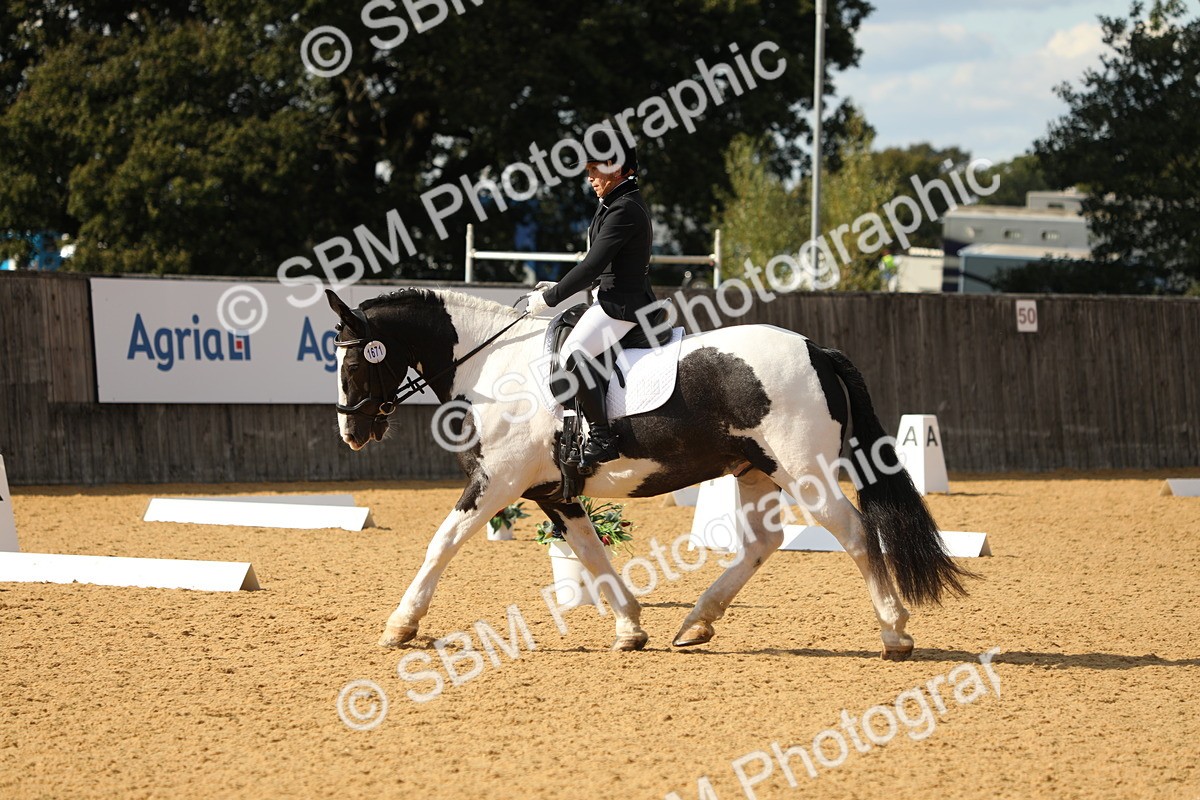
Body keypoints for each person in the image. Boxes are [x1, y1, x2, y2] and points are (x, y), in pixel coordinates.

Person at [525, 129, 656, 472]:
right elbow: (603, 264)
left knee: (572, 355)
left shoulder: (624, 208)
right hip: (612, 297)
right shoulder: (614, 203)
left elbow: (591, 266)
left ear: (616, 167)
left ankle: (602, 437)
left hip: (622, 305)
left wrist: (550, 298)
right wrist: (558, 284)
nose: (590, 175)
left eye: (595, 168)